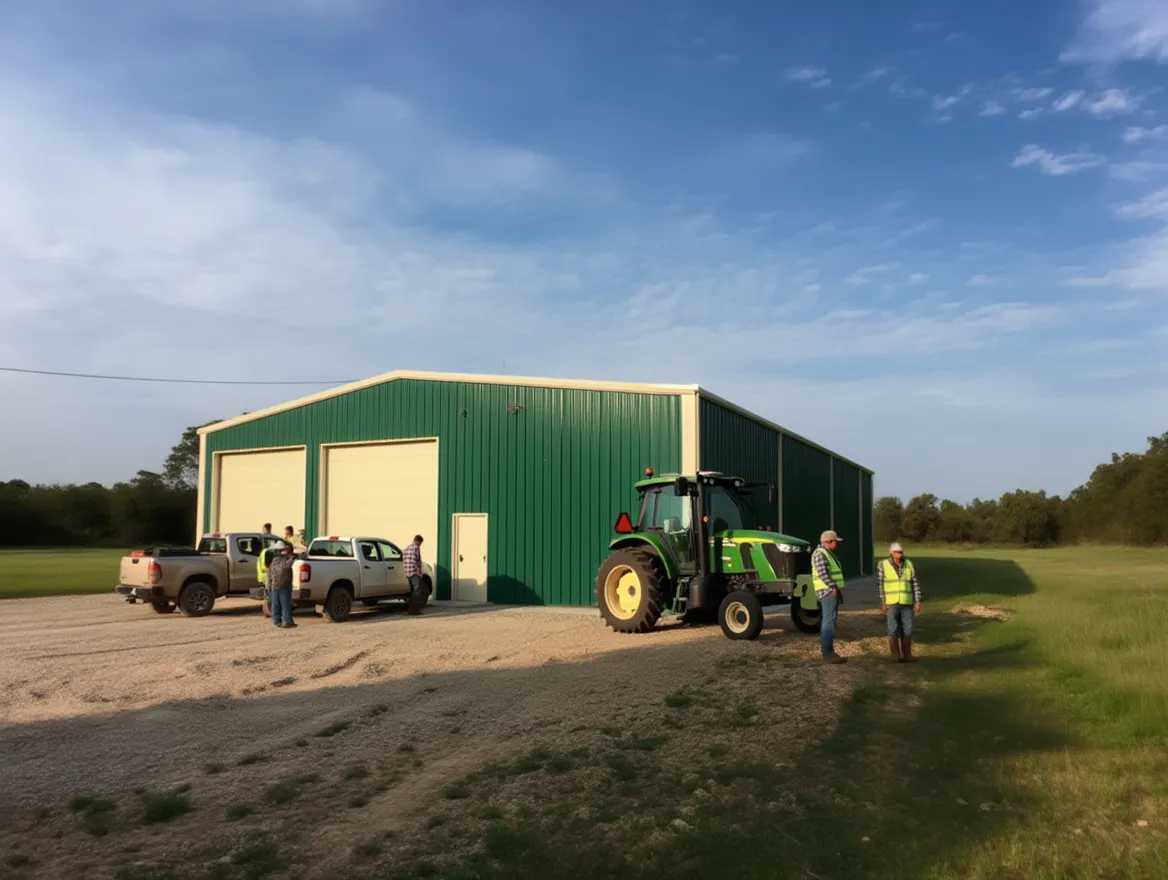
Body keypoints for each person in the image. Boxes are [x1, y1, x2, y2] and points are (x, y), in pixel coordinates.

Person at [878, 542, 921, 663]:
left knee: (908, 628)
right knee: (893, 628)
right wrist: (883, 602)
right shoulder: (883, 565)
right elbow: (880, 585)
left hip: (907, 602)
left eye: (901, 552)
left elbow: (915, 583)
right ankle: (895, 654)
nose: (900, 555)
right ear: (891, 553)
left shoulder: (909, 564)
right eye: (897, 552)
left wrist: (917, 601)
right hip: (891, 602)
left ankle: (907, 654)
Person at [811, 530, 847, 664]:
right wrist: (833, 587)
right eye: (835, 542)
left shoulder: (825, 553)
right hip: (828, 592)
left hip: (829, 591)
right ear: (828, 541)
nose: (837, 544)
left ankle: (829, 651)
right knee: (828, 622)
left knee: (830, 620)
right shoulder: (820, 554)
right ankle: (828, 653)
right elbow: (823, 573)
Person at [266, 540, 297, 628]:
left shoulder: (274, 561)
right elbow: (287, 566)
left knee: (275, 604)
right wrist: (293, 556)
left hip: (274, 584)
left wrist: (268, 586)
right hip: (284, 584)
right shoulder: (285, 560)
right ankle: (287, 621)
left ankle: (276, 620)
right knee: (285, 603)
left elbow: (269, 574)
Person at [403, 535, 425, 616]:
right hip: (414, 572)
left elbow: (404, 560)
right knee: (417, 590)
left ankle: (411, 609)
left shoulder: (407, 548)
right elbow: (415, 560)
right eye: (420, 543)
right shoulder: (416, 548)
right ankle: (414, 610)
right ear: (418, 541)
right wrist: (418, 571)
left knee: (412, 591)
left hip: (408, 572)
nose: (420, 545)